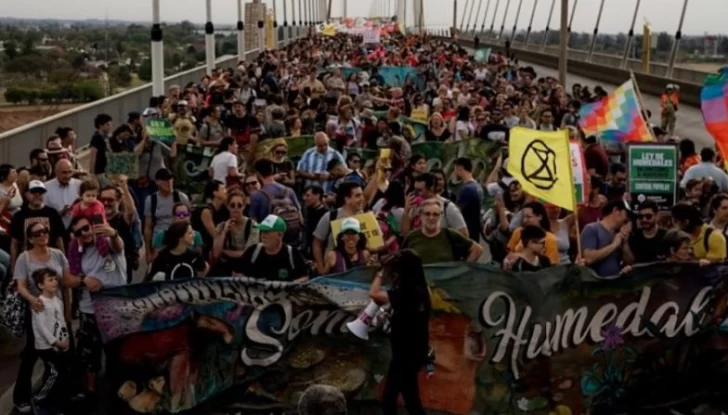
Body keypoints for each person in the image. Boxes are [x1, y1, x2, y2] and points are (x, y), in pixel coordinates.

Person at [12, 222, 73, 414]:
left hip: (57, 310)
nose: (42, 235)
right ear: (30, 238)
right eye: (37, 233)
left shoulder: (57, 254)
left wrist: (68, 311)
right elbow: (20, 284)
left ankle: (56, 394)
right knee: (31, 355)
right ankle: (21, 397)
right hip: (37, 312)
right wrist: (32, 300)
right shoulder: (25, 258)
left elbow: (66, 282)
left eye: (45, 231)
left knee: (60, 356)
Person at [369, 249, 430, 415]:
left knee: (390, 397)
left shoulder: (407, 291)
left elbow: (374, 293)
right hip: (414, 351)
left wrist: (380, 274)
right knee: (410, 397)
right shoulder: (422, 290)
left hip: (405, 353)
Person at [30, 267, 71, 414]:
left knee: (58, 373)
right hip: (45, 346)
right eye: (50, 280)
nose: (54, 282)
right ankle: (38, 399)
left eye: (55, 279)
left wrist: (65, 340)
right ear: (41, 285)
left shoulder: (57, 300)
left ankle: (53, 404)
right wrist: (55, 342)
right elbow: (41, 327)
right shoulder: (39, 303)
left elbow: (61, 322)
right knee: (54, 372)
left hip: (58, 345)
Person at [402, 198, 482, 264]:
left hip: (446, 282)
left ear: (440, 216)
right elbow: (400, 259)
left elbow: (477, 249)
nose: (431, 218)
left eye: (435, 214)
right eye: (427, 214)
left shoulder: (450, 234)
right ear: (421, 216)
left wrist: (463, 268)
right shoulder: (412, 237)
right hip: (420, 282)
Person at [239, 215, 309, 282]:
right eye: (262, 231)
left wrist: (292, 285)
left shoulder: (292, 254)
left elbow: (304, 277)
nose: (262, 235)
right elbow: (237, 273)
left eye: (266, 232)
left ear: (280, 235)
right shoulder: (253, 251)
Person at [581, 200, 632, 278]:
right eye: (626, 215)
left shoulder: (618, 234)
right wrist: (614, 245)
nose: (626, 219)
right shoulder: (592, 229)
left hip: (615, 282)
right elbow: (589, 258)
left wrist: (625, 243)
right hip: (596, 284)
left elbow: (629, 262)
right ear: (616, 211)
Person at [454, 157, 483, 242]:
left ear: (460, 168)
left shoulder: (468, 189)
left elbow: (457, 212)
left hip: (467, 233)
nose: (455, 172)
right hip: (475, 232)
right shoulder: (478, 187)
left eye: (455, 169)